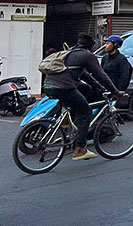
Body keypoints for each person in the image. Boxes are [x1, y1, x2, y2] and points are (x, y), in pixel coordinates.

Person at [43, 33, 125, 161]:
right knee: (85, 112)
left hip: (48, 86)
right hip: (64, 88)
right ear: (91, 47)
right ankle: (79, 149)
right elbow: (101, 75)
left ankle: (68, 121)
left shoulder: (70, 52)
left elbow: (84, 74)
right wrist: (115, 91)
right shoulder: (87, 55)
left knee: (83, 92)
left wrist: (98, 87)